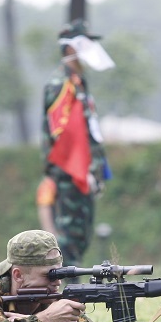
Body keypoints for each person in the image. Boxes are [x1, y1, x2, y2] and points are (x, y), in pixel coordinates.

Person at [37, 18, 114, 268]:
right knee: (68, 239)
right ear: (71, 48)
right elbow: (63, 137)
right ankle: (66, 296)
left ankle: (73, 295)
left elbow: (89, 132)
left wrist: (95, 169)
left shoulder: (77, 82)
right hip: (69, 175)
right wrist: (81, 169)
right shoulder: (60, 84)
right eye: (86, 43)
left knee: (80, 238)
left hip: (82, 174)